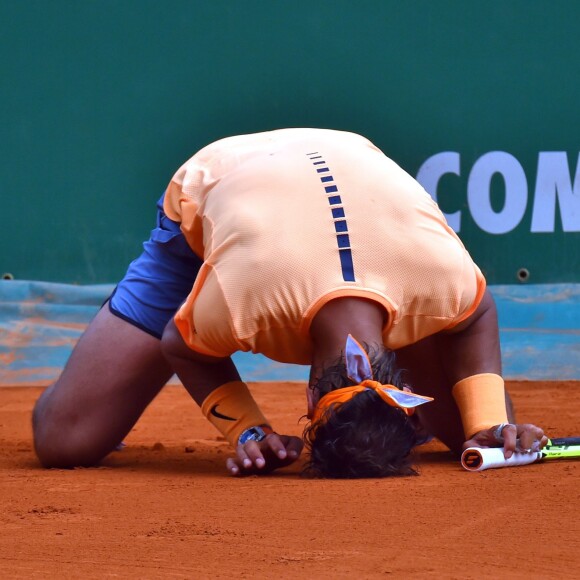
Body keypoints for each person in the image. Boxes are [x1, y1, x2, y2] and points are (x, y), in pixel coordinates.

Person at [32, 128, 547, 478]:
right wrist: (247, 429)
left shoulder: (439, 281)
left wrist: (484, 427)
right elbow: (180, 344)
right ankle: (125, 310)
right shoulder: (243, 303)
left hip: (348, 171)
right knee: (65, 441)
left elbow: (476, 311)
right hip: (221, 182)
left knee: (475, 444)